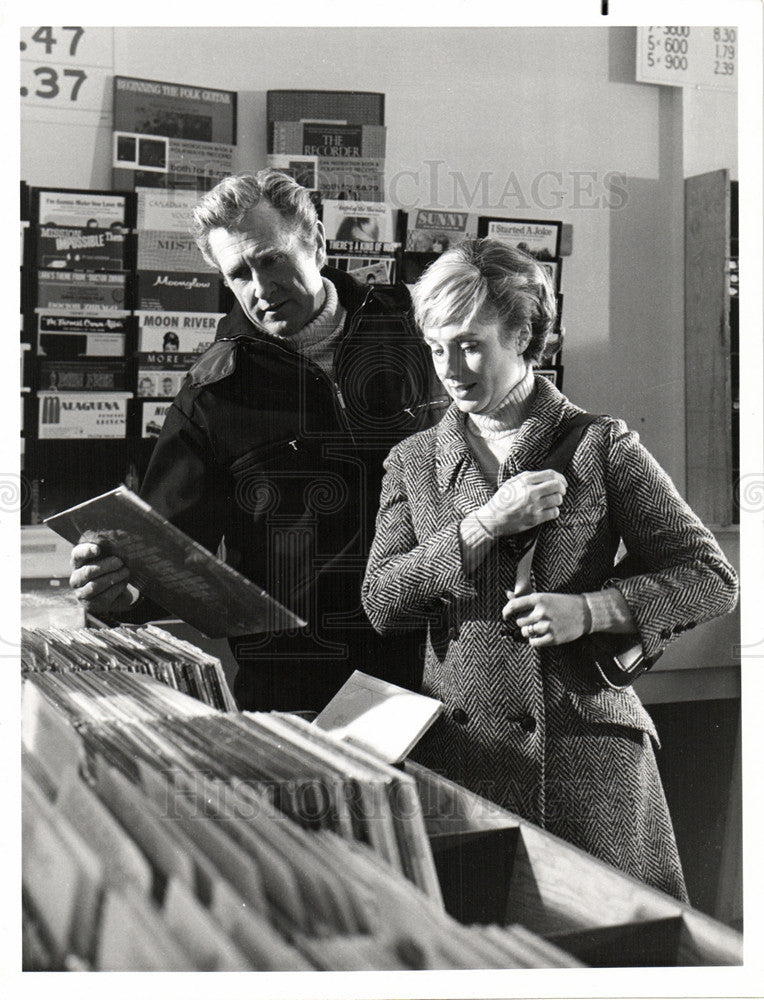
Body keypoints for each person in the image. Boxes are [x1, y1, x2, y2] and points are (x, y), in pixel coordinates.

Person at [361, 238, 739, 900]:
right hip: (464, 761)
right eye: (436, 345)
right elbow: (381, 601)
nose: (450, 366)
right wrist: (484, 525)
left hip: (584, 763)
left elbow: (710, 577)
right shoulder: (412, 460)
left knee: (612, 957)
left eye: (471, 344)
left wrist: (593, 610)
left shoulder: (600, 444)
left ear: (524, 334)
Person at [69, 170, 443, 712]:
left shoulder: (422, 327)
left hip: (443, 666)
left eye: (271, 259)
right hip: (301, 689)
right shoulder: (211, 395)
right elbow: (166, 554)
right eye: (239, 273)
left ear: (314, 240)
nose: (261, 289)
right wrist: (118, 589)